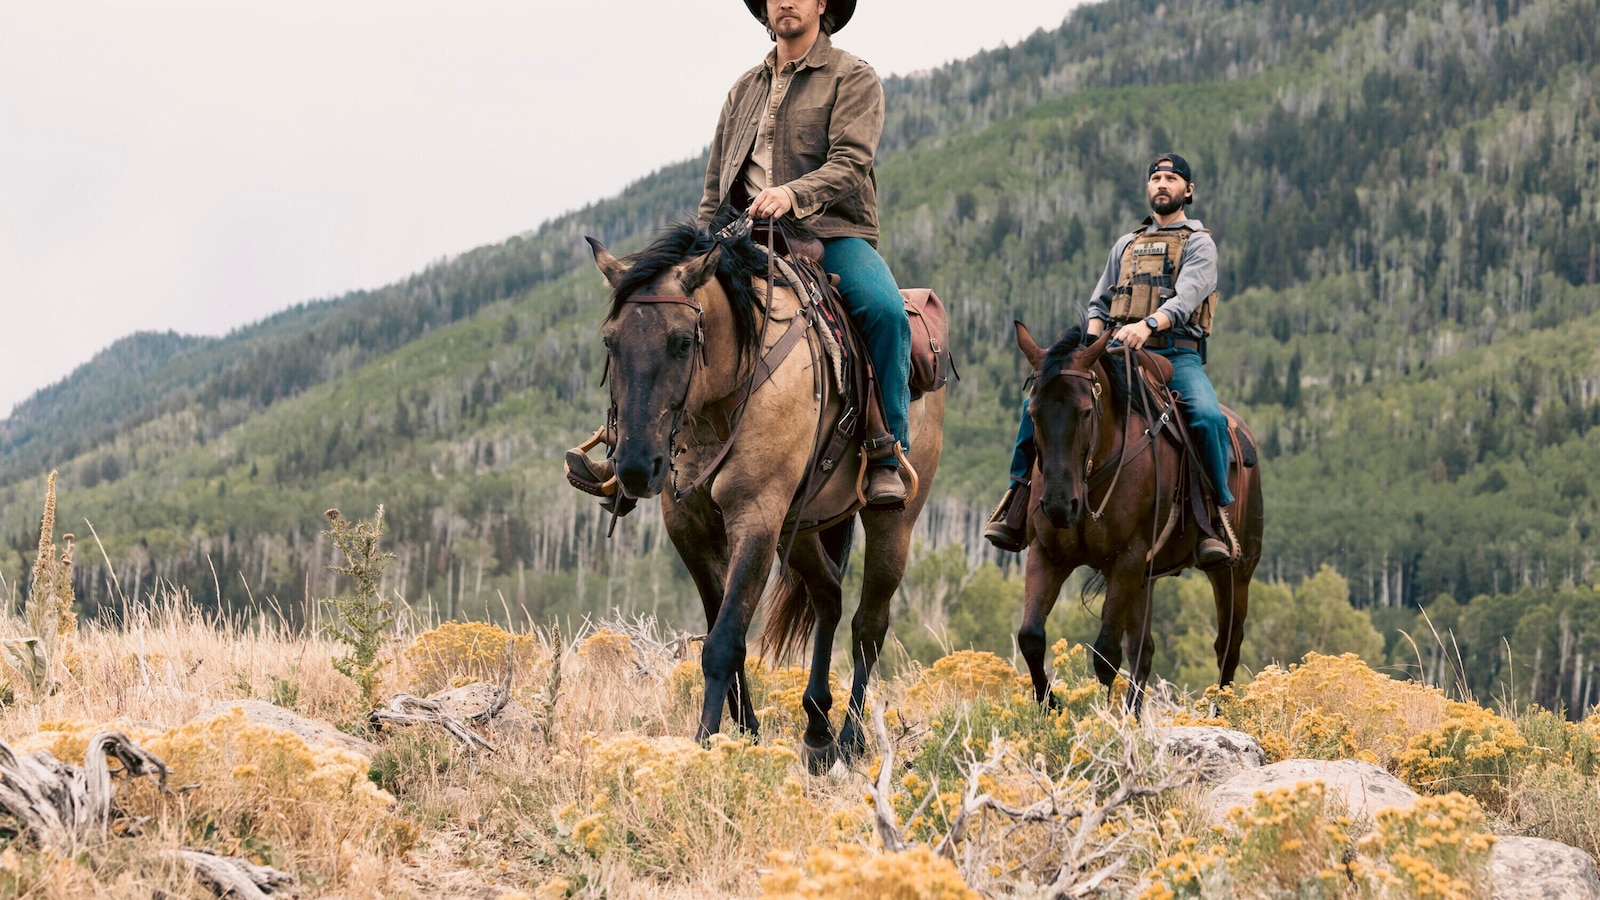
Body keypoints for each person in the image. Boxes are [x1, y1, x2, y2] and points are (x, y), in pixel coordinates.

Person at [567, 0, 912, 507]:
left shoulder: (851, 76)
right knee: (652, 314)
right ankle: (628, 450)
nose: (785, 2)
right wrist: (701, 243)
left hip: (830, 233)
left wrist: (793, 194)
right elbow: (716, 186)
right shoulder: (744, 89)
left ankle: (885, 452)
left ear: (822, 5)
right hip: (740, 238)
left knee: (884, 312)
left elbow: (852, 162)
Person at [984, 153, 1234, 565]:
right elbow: (1100, 303)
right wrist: (1089, 348)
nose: (1162, 184)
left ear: (1188, 191)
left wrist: (1150, 324)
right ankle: (1017, 498)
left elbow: (1189, 293)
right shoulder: (1126, 245)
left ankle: (1213, 517)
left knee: (1207, 417)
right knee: (1043, 403)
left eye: (1171, 178)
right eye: (1155, 177)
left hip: (1175, 353)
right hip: (1116, 352)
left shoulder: (1199, 242)